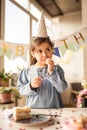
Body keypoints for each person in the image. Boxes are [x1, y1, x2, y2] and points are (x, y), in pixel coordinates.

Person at [17, 11, 67, 108]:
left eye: (47, 49)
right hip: (33, 112)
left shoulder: (57, 69)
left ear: (52, 50)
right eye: (40, 51)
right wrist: (30, 85)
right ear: (33, 53)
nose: (45, 54)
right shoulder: (26, 71)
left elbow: (62, 88)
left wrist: (51, 72)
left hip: (55, 111)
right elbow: (20, 89)